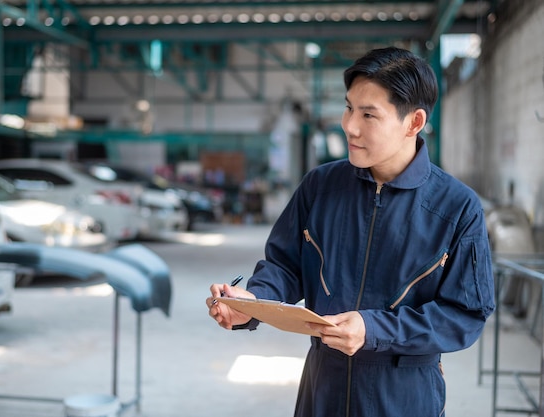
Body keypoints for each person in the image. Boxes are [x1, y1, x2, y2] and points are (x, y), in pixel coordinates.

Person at [206, 46, 495, 417]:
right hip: (321, 388)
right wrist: (251, 303)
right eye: (348, 108)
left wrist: (374, 329)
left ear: (414, 122)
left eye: (368, 114)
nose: (349, 126)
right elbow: (286, 266)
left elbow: (464, 315)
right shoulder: (320, 186)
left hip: (403, 396)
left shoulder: (456, 208)